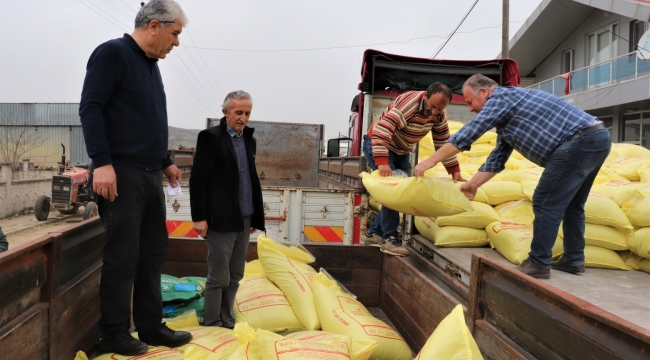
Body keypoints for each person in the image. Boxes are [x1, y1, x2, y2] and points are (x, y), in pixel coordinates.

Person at [414, 74, 611, 279]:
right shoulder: (508, 114)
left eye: (470, 102)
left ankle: (538, 262)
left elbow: (471, 131)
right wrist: (473, 184)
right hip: (596, 138)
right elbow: (498, 158)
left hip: (579, 141)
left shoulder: (500, 98)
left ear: (484, 92)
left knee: (545, 201)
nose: (470, 109)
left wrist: (431, 160)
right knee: (572, 204)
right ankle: (573, 259)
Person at [79, 0, 192, 355]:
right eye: (174, 34)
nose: (176, 43)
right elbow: (91, 106)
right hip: (121, 173)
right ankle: (114, 332)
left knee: (153, 252)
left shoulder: (150, 65)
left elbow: (146, 118)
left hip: (148, 174)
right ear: (155, 26)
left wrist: (165, 160)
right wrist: (102, 162)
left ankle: (150, 326)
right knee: (123, 256)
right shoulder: (112, 53)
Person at [190, 90, 265, 329]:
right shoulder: (211, 137)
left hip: (243, 217)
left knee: (235, 275)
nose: (243, 118)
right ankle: (212, 323)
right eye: (238, 112)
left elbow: (250, 179)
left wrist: (254, 215)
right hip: (220, 219)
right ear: (225, 112)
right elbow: (198, 179)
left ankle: (227, 319)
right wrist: (200, 217)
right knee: (218, 276)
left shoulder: (249, 140)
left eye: (247, 113)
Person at [362, 82, 464, 256]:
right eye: (432, 106)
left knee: (400, 194)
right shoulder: (408, 105)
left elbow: (443, 141)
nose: (434, 112)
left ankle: (374, 234)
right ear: (426, 96)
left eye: (439, 109)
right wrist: (382, 161)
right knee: (395, 191)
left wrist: (453, 168)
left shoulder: (438, 113)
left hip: (401, 150)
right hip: (379, 145)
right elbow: (381, 130)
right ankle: (390, 239)